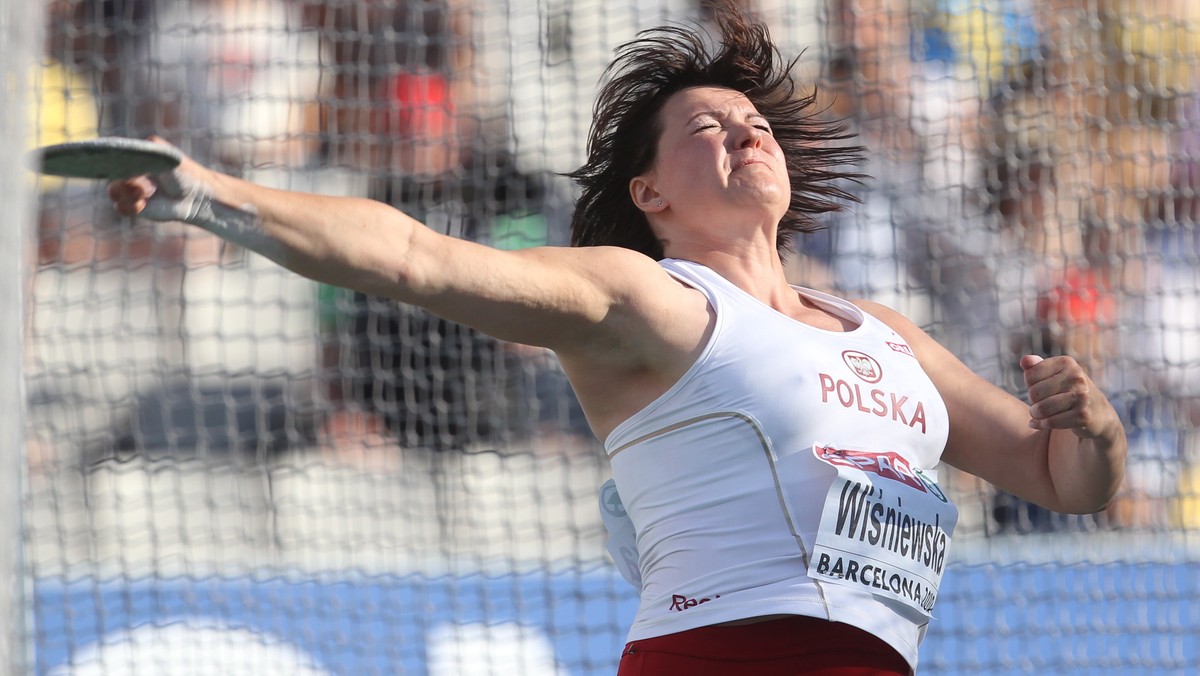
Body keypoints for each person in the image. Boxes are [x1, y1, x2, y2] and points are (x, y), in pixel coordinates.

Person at [107, 3, 1127, 673]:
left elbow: (1069, 480)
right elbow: (411, 256)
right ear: (649, 193)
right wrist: (207, 195)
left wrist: (1096, 423)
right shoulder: (646, 300)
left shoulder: (885, 334)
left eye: (755, 123)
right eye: (707, 128)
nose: (747, 134)